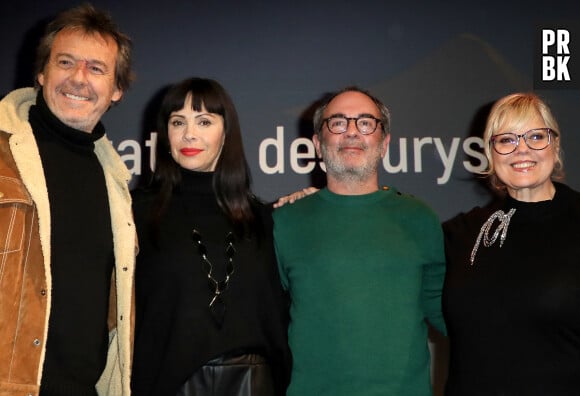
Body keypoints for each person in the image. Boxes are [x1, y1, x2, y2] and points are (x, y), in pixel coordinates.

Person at [273, 86, 446, 395]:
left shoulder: (421, 219)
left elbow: (453, 314)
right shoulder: (283, 222)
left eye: (365, 122)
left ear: (384, 144)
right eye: (338, 122)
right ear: (317, 143)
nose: (352, 131)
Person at [0, 4, 136, 396]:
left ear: (116, 90)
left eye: (97, 68)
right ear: (42, 72)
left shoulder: (117, 185)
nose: (79, 78)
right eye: (66, 62)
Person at [130, 77, 291, 396]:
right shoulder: (133, 213)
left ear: (226, 132)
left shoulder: (264, 219)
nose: (189, 133)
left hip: (253, 385)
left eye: (204, 121)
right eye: (178, 122)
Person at [442, 92, 580, 395]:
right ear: (491, 153)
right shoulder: (462, 232)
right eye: (506, 140)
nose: (522, 150)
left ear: (555, 145)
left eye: (535, 136)